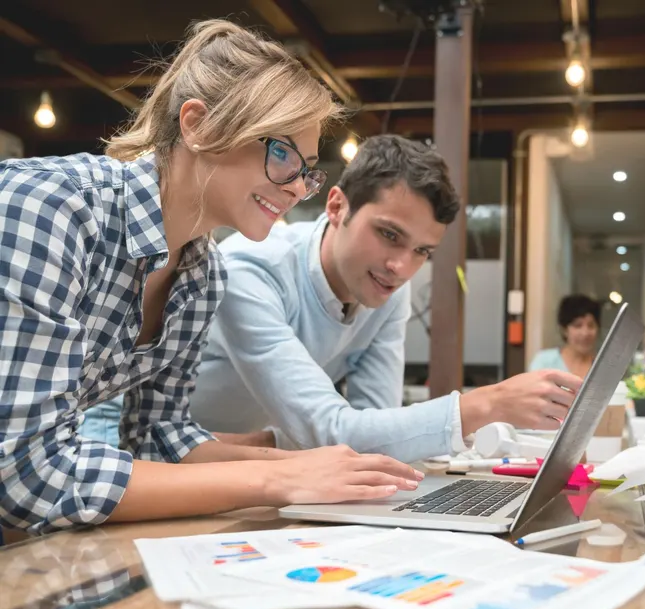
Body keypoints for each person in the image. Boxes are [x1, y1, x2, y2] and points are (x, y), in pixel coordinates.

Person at [0, 20, 422, 536]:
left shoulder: (201, 276)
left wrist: (311, 467)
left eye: (308, 170)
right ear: (198, 125)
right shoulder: (48, 208)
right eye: (283, 153)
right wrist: (278, 481)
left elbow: (160, 436)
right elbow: (26, 471)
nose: (296, 188)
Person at [81, 135, 581, 463]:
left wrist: (295, 444)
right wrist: (485, 403)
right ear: (337, 205)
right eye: (389, 235)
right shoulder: (251, 268)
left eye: (422, 252)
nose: (401, 267)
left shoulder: (384, 289)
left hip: (254, 456)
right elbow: (335, 429)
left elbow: (371, 433)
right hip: (147, 447)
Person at [528, 294, 601, 378]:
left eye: (591, 325)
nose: (585, 333)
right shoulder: (544, 361)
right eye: (578, 325)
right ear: (564, 330)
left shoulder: (602, 368)